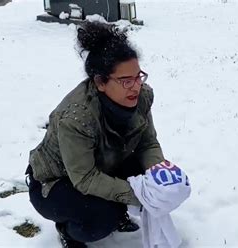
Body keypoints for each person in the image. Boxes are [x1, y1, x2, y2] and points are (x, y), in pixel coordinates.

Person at [26, 21, 165, 248]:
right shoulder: (76, 117)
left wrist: (162, 176)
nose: (136, 87)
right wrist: (138, 195)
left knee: (152, 180)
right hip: (55, 183)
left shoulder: (142, 97)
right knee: (103, 217)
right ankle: (68, 231)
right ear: (101, 82)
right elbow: (85, 178)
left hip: (103, 162)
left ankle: (118, 209)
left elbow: (147, 144)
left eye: (138, 77)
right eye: (126, 81)